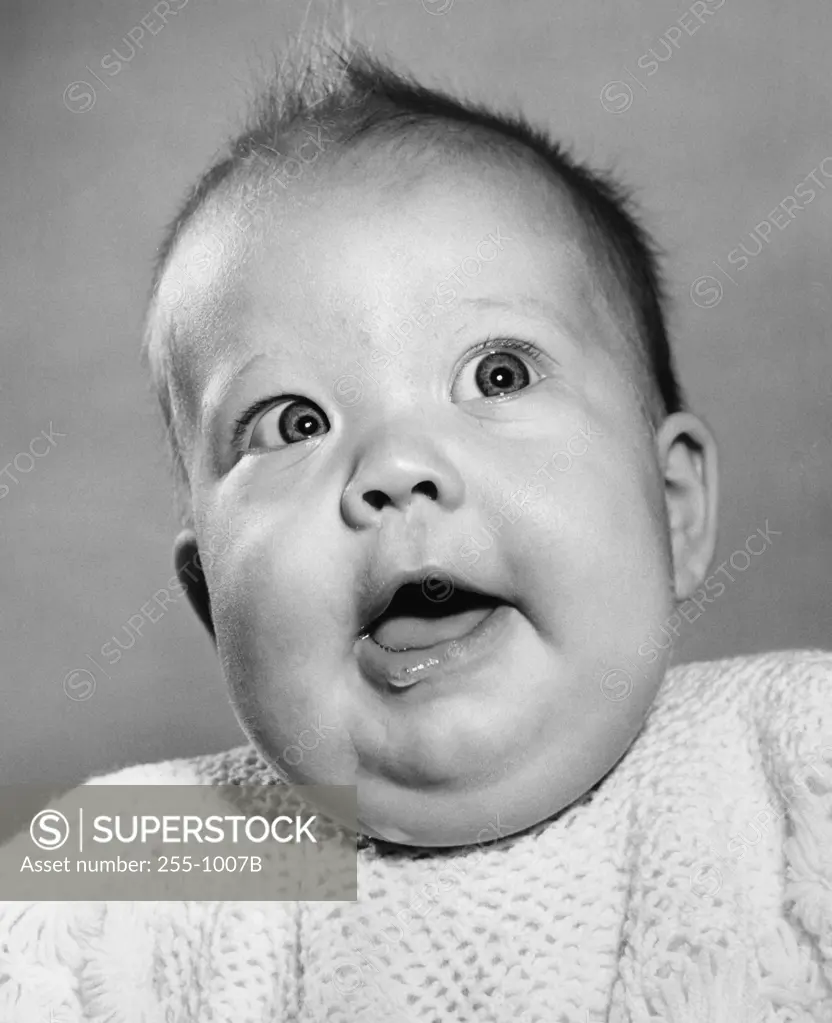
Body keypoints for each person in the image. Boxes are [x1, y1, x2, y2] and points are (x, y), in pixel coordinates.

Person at [2, 36, 831, 1023]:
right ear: (211, 602)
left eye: (496, 375)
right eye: (293, 424)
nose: (397, 469)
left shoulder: (785, 755)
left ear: (674, 508)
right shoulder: (154, 855)